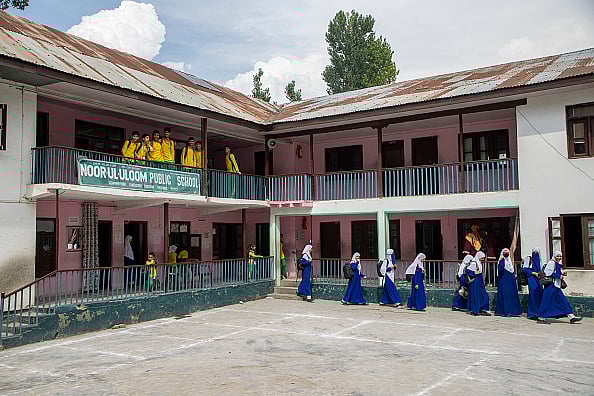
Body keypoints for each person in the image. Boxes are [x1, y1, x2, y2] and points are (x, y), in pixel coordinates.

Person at [537, 251, 582, 324]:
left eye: (560, 256)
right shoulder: (551, 263)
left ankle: (571, 317)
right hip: (551, 285)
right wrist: (559, 276)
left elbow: (555, 272)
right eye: (557, 256)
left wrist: (562, 273)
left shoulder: (557, 264)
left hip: (556, 286)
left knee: (563, 301)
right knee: (546, 301)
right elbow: (548, 272)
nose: (559, 258)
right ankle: (541, 317)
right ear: (554, 256)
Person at [494, 248, 522, 317]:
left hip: (510, 282)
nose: (506, 254)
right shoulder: (502, 261)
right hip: (504, 282)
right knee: (505, 295)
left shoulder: (509, 261)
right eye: (505, 253)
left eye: (507, 253)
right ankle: (505, 311)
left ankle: (513, 312)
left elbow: (511, 270)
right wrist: (502, 262)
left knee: (511, 295)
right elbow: (500, 270)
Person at [466, 251, 491, 316]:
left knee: (484, 295)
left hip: (480, 282)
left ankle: (482, 309)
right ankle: (475, 310)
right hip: (475, 282)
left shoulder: (479, 263)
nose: (482, 259)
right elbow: (468, 271)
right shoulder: (474, 263)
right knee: (476, 296)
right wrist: (474, 274)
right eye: (482, 258)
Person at [522, 248, 544, 320]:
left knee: (539, 294)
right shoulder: (529, 259)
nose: (535, 254)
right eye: (534, 252)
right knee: (533, 295)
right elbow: (524, 269)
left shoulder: (540, 259)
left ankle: (538, 313)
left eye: (537, 252)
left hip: (539, 279)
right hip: (531, 279)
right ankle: (532, 313)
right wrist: (533, 273)